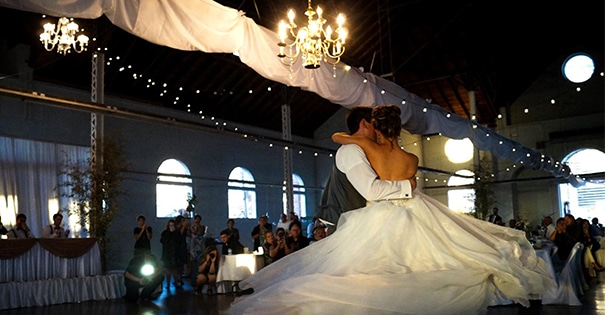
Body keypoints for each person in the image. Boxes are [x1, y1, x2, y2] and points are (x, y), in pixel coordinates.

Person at [230, 104, 554, 315]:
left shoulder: (365, 147)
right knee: (421, 259)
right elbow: (379, 184)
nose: (371, 127)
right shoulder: (401, 158)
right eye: (368, 122)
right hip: (402, 210)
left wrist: (363, 139)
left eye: (375, 123)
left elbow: (343, 140)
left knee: (391, 266)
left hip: (376, 215)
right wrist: (406, 187)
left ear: (376, 128)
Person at [314, 106, 414, 235]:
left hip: (362, 227)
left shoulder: (364, 149)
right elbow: (371, 190)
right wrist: (407, 185)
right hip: (347, 231)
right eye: (375, 124)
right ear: (364, 124)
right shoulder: (351, 150)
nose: (378, 129)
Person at [160, 219, 185, 289]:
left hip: (176, 254)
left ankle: (176, 283)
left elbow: (180, 242)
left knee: (175, 270)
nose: (171, 227)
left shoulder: (177, 233)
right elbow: (162, 241)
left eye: (173, 225)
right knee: (168, 271)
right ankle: (168, 284)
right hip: (167, 254)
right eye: (170, 225)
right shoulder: (165, 233)